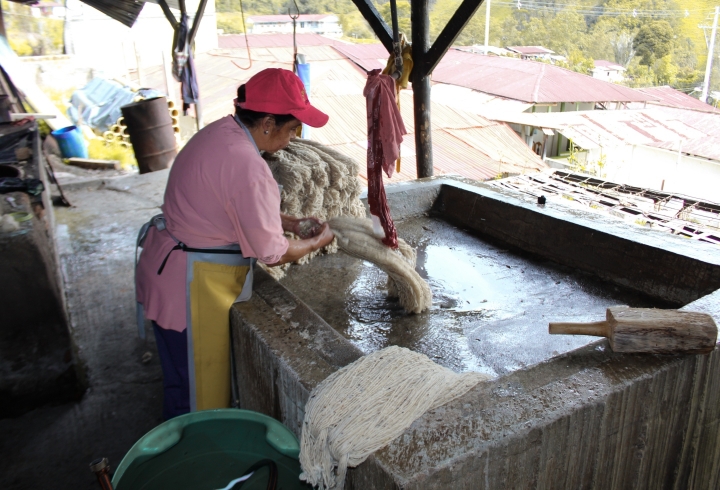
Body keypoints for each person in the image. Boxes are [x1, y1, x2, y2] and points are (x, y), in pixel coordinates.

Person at [135, 68, 335, 420]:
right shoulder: (248, 165)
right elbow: (273, 254)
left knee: (181, 385)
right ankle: (198, 467)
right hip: (188, 290)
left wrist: (289, 222)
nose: (292, 140)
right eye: (293, 129)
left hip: (167, 268)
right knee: (198, 402)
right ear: (269, 123)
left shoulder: (220, 134)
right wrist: (319, 239)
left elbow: (232, 208)